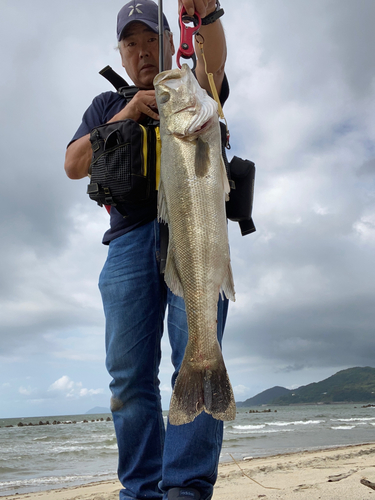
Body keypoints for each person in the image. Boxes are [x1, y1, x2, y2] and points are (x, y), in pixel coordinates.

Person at [64, 1, 229, 499]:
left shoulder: (189, 88)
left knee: (197, 355)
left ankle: (185, 489)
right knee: (129, 378)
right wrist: (126, 113)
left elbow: (214, 63)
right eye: (130, 43)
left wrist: (208, 14)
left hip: (196, 235)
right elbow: (73, 164)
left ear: (167, 39)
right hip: (129, 243)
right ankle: (140, 491)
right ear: (120, 50)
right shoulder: (104, 104)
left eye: (151, 38)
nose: (142, 51)